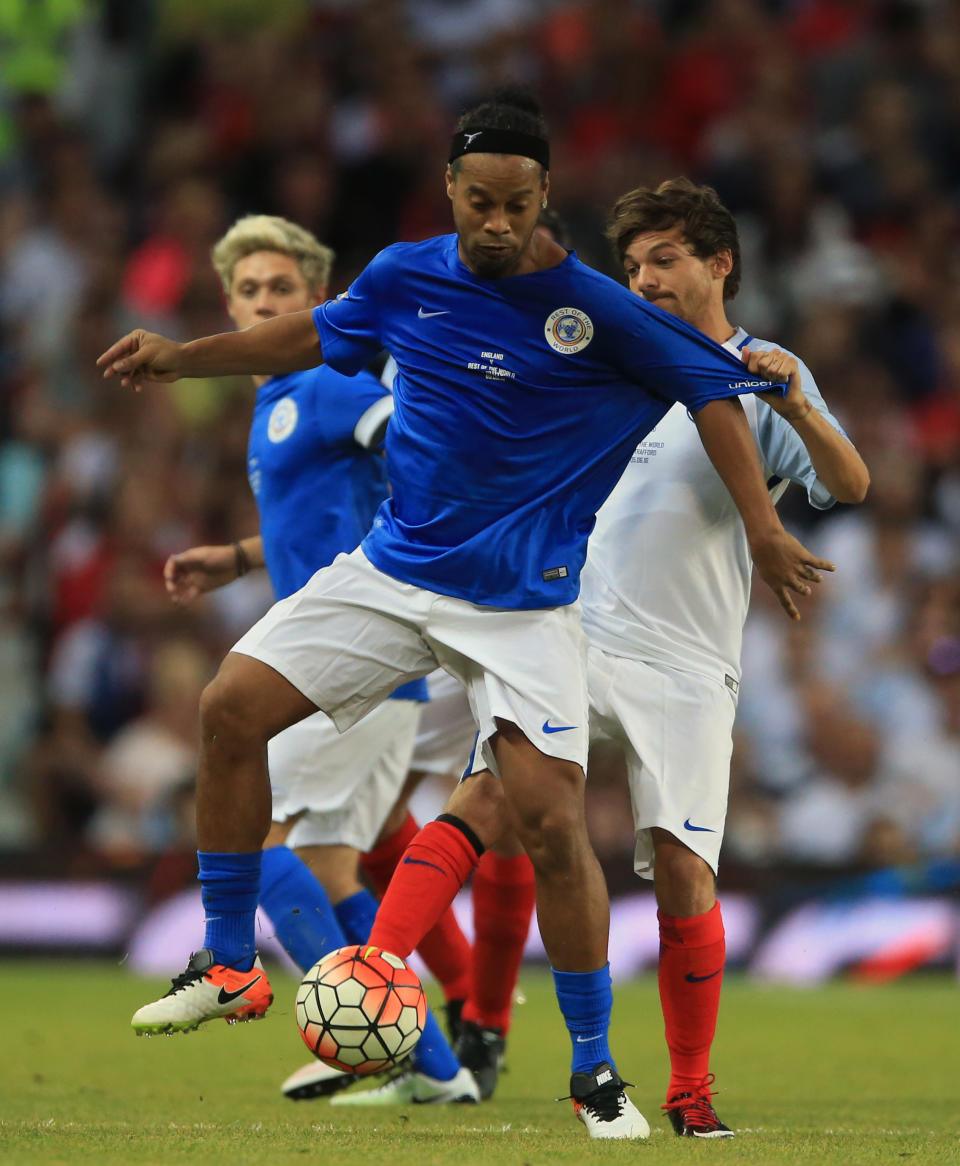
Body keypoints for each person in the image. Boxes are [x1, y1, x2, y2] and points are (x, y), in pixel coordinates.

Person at [98, 89, 831, 1140]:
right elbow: (307, 335)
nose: (495, 223)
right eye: (477, 202)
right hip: (393, 572)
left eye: (515, 206)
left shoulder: (602, 310)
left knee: (548, 824)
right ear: (449, 190)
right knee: (227, 708)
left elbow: (718, 398)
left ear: (543, 197)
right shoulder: (404, 275)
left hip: (525, 609)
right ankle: (228, 964)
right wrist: (181, 355)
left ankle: (592, 1070)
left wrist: (762, 530)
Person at [150, 213, 477, 1103]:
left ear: (317, 299)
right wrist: (244, 557)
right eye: (249, 290)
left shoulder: (330, 383)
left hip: (357, 668)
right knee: (329, 869)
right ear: (228, 300)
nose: (263, 302)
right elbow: (333, 512)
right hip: (347, 670)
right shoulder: (275, 402)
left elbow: (404, 447)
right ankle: (427, 1067)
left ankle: (389, 1045)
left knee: (254, 836)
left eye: (280, 290)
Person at [582, 177, 869, 1136]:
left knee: (681, 871)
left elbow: (849, 481)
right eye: (632, 266)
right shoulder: (615, 364)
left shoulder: (761, 368)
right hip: (580, 630)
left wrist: (802, 409)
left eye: (664, 258)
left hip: (690, 664)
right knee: (500, 793)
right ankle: (421, 988)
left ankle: (690, 1094)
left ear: (720, 263)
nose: (646, 279)